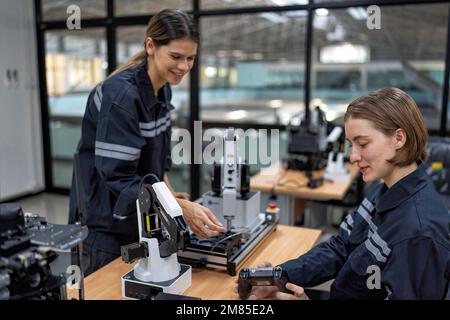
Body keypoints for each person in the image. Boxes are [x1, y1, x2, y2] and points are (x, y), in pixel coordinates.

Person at [236, 87, 450, 300]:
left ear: (399, 139)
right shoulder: (383, 189)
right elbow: (341, 247)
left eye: (363, 144)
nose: (353, 157)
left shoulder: (419, 234)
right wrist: (280, 277)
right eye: (351, 145)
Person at [69, 9, 225, 276]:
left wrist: (172, 198)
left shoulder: (161, 88)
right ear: (151, 46)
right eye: (176, 57)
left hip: (139, 218)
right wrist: (181, 209)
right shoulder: (122, 96)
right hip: (106, 227)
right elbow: (118, 177)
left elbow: (155, 163)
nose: (185, 67)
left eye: (191, 58)